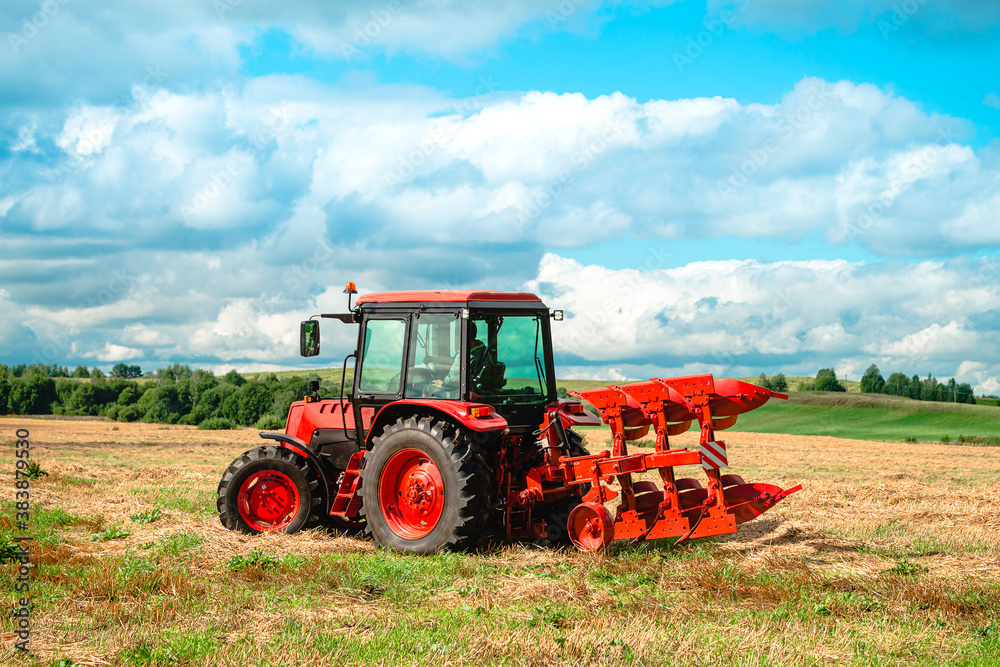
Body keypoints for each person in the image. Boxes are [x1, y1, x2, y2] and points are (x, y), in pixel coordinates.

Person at [432, 321, 488, 398]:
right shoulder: (483, 351)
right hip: (475, 390)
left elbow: (452, 380)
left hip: (459, 394)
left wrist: (442, 384)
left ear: (461, 336)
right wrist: (434, 359)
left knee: (428, 387)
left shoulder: (465, 352)